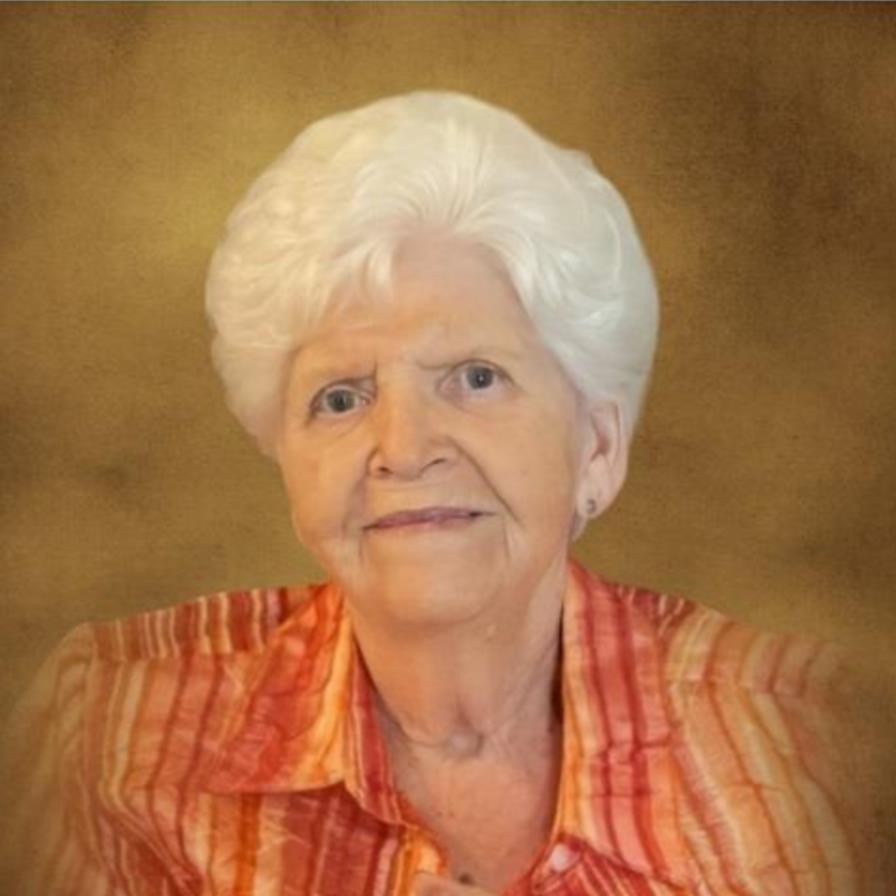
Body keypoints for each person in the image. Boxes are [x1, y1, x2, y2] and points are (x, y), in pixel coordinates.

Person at [0, 91, 884, 896]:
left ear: (597, 448)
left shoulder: (815, 749)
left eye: (476, 377)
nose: (404, 448)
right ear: (288, 459)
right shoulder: (112, 735)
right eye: (340, 398)